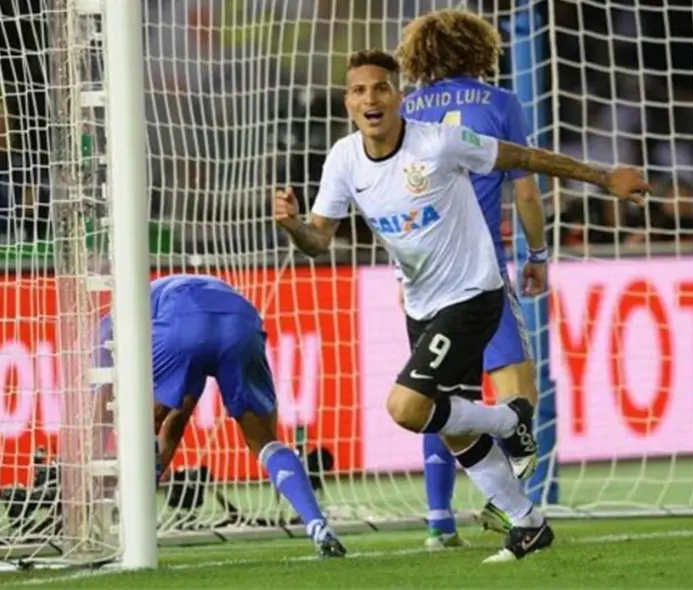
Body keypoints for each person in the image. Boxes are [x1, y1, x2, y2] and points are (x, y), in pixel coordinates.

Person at [272, 49, 646, 561]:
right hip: (421, 305)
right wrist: (294, 226)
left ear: (398, 97)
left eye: (380, 87)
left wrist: (604, 178)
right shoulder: (342, 159)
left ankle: (506, 422)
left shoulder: (439, 142)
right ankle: (528, 523)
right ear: (347, 103)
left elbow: (525, 158)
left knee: (406, 408)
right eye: (359, 90)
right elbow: (318, 240)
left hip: (473, 293)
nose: (370, 98)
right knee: (450, 428)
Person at [394, 8, 547, 548]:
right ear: (481, 49)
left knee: (439, 398)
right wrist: (540, 254)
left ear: (420, 56)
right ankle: (510, 507)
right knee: (520, 395)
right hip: (480, 269)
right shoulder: (500, 103)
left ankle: (439, 521)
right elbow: (526, 189)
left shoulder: (404, 109)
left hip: (422, 273)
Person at [96, 274, 346, 558]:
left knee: (144, 424)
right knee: (265, 442)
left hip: (182, 320)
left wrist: (113, 476)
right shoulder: (163, 292)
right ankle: (318, 526)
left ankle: (128, 531)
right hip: (241, 323)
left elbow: (106, 414)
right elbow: (178, 420)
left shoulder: (112, 326)